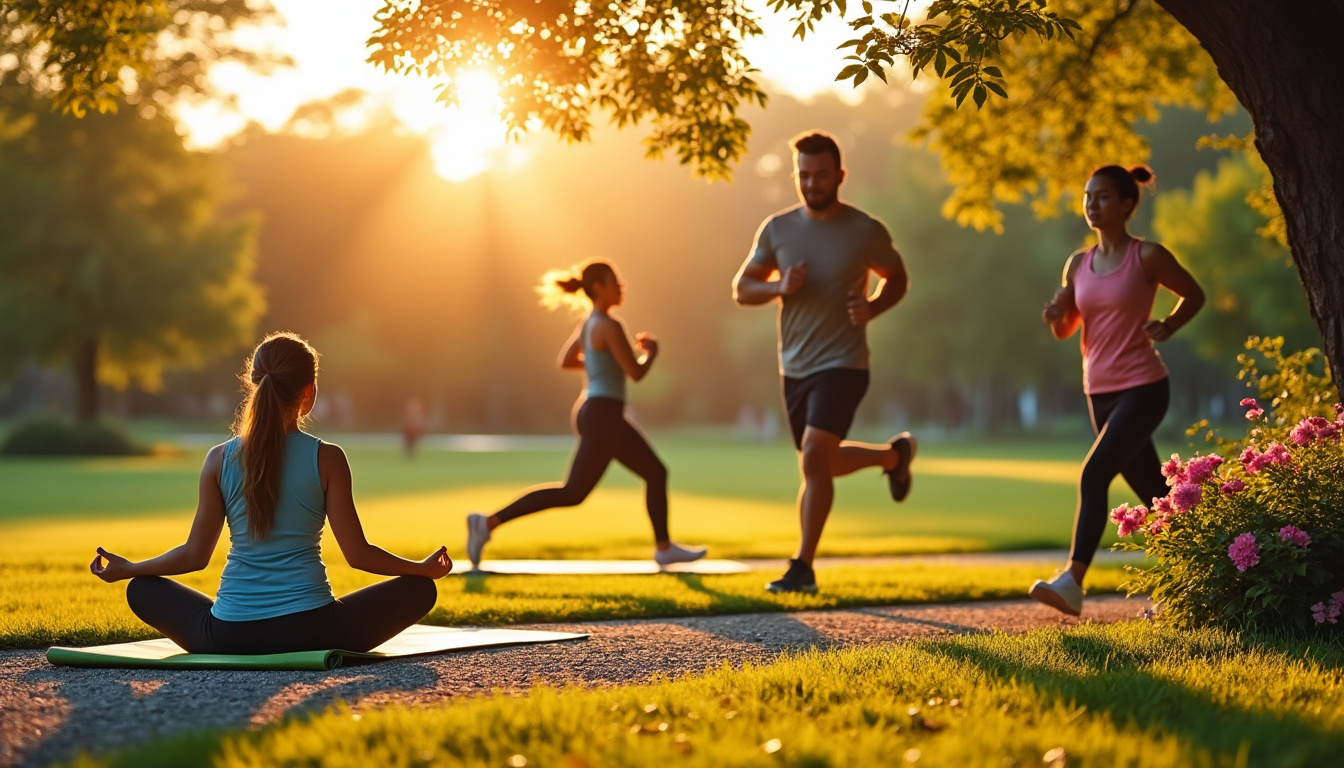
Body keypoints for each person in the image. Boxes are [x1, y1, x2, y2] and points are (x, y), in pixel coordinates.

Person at [90, 333, 452, 654]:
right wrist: (419, 569)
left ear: (253, 385)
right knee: (419, 591)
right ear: (308, 392)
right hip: (313, 630)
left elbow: (194, 555)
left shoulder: (219, 459)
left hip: (229, 636)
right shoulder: (327, 457)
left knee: (142, 589)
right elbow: (358, 555)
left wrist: (131, 569)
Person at [733, 130, 914, 594]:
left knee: (814, 456)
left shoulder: (865, 230)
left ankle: (803, 567)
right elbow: (742, 289)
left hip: (844, 361)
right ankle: (894, 456)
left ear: (840, 176)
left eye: (821, 175)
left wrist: (872, 307)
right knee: (821, 463)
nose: (811, 183)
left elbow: (896, 277)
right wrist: (779, 287)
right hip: (793, 365)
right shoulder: (777, 229)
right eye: (804, 175)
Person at [1030, 165, 1205, 616]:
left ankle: (1072, 580)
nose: (1092, 204)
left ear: (1127, 204)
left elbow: (1194, 294)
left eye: (1103, 196)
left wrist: (1168, 324)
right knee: (1154, 494)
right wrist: (1057, 315)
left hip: (1144, 386)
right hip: (1100, 391)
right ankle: (1211, 563)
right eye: (1088, 196)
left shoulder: (1146, 256)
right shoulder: (1078, 263)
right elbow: (1067, 330)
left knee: (1093, 475)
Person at [464, 260, 706, 569]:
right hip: (604, 413)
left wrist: (600, 364)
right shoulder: (609, 324)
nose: (622, 286)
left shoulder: (589, 323)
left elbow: (566, 361)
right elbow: (635, 372)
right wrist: (652, 353)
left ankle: (664, 547)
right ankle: (486, 523)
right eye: (614, 281)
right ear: (598, 288)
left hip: (595, 410)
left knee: (650, 474)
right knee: (575, 491)